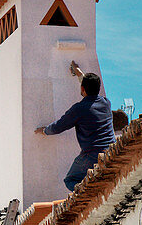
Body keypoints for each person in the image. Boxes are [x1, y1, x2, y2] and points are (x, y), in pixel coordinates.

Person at [35, 61, 116, 193]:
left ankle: (87, 195)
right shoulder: (106, 103)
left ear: (83, 88)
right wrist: (79, 73)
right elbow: (90, 89)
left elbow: (58, 127)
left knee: (71, 180)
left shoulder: (79, 109)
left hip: (92, 155)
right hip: (111, 152)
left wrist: (44, 131)